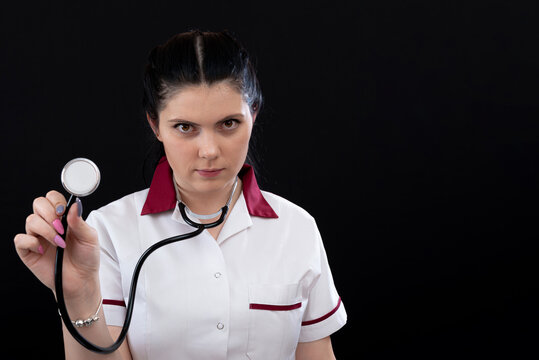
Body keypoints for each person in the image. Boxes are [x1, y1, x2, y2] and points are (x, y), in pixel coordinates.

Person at [14, 30, 347, 360]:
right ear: (155, 125)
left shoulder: (297, 228)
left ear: (254, 114)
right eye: (185, 127)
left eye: (229, 123)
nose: (209, 150)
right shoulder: (107, 232)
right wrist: (78, 295)